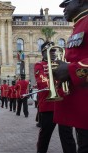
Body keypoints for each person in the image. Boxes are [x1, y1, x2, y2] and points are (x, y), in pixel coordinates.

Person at [53, 1, 88, 152]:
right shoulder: (79, 24)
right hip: (81, 107)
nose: (64, 8)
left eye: (67, 3)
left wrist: (71, 70)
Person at [35, 41, 76, 153]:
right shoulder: (39, 65)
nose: (52, 54)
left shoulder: (62, 64)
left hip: (64, 103)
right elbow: (43, 82)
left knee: (67, 136)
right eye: (49, 51)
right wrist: (58, 79)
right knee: (45, 135)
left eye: (54, 51)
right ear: (43, 53)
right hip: (49, 105)